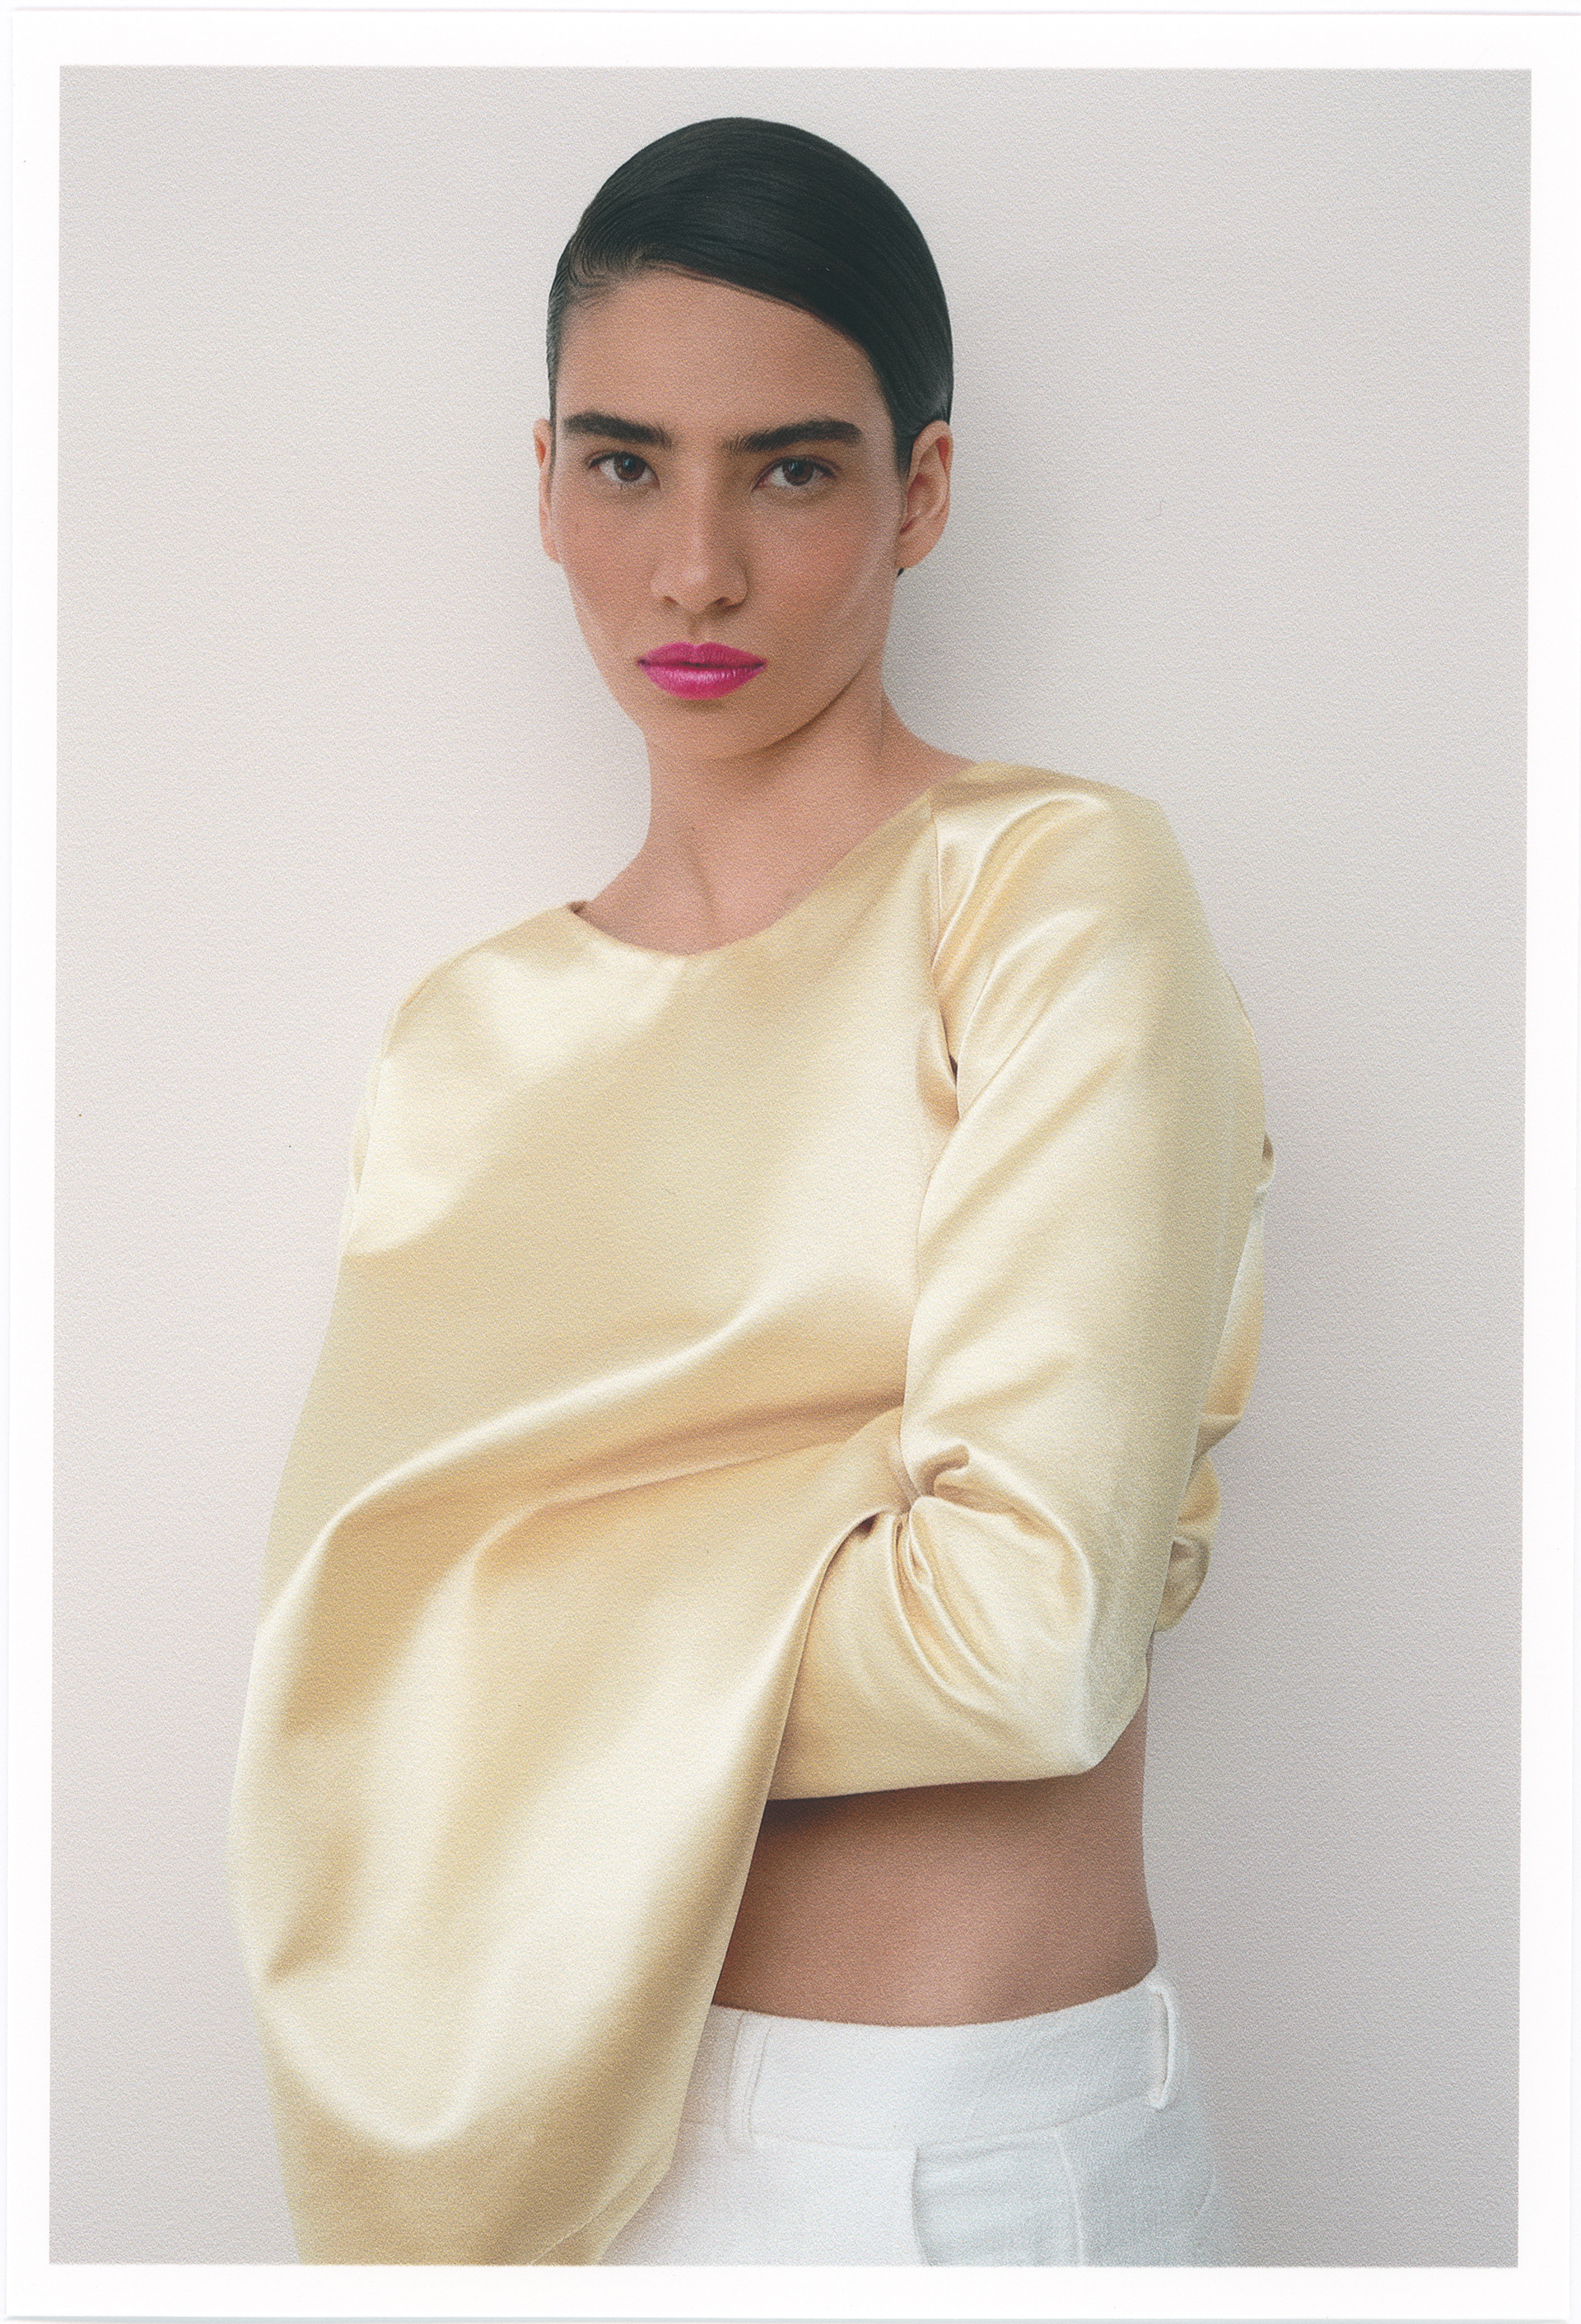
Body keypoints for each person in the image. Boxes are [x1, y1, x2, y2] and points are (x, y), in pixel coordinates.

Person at [228, 115, 1271, 2267]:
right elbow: (329, 1673)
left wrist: (484, 1641)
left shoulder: (1042, 895)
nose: (694, 570)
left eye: (789, 471)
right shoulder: (465, 1041)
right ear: (546, 487)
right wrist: (472, 1642)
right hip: (532, 2154)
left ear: (922, 493)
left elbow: (1020, 1641)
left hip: (945, 2162)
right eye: (628, 466)